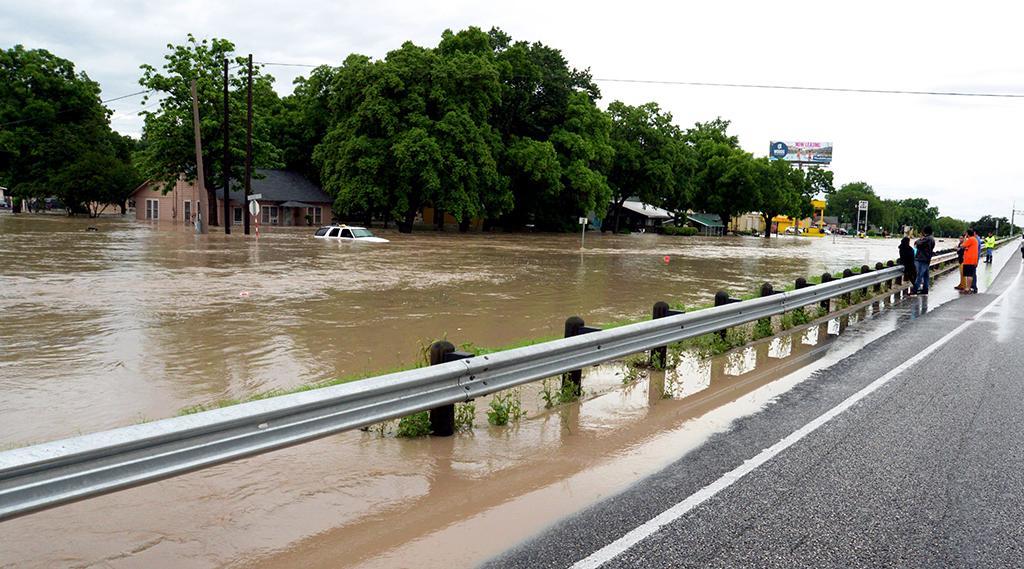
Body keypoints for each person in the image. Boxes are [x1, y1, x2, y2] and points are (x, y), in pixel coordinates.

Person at [911, 226, 936, 295]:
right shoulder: (932, 239)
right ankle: (925, 289)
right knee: (926, 275)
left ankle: (915, 290)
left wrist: (919, 240)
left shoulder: (927, 239)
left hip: (922, 259)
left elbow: (918, 243)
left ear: (925, 232)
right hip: (927, 259)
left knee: (920, 275)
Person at [961, 228, 979, 294]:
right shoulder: (974, 239)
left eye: (966, 233)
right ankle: (969, 288)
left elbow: (963, 245)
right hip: (972, 259)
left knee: (969, 275)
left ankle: (967, 288)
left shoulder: (970, 239)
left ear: (968, 234)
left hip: (969, 260)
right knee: (970, 274)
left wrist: (965, 238)